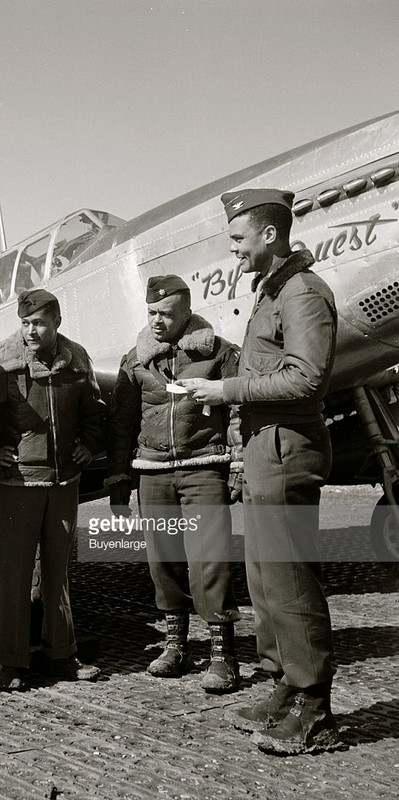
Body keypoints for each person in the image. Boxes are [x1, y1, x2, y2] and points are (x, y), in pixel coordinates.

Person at [179, 188, 340, 755]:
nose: (233, 252)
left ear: (270, 235)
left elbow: (305, 378)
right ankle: (281, 685)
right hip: (262, 452)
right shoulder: (273, 292)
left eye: (238, 239)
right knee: (266, 579)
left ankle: (315, 706)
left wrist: (223, 389)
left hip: (285, 452)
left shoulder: (302, 294)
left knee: (291, 579)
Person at [0, 288, 107, 691]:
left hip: (63, 484)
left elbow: (95, 411)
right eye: (25, 323)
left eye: (38, 323)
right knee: (15, 575)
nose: (30, 331)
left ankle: (62, 655)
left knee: (57, 574)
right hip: (18, 485)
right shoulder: (2, 364)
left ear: (56, 322)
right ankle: (10, 663)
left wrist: (88, 445)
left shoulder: (76, 361)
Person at [106, 275, 243, 694]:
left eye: (166, 313)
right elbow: (122, 422)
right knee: (162, 560)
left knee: (209, 560)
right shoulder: (136, 361)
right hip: (151, 471)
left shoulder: (218, 353)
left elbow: (238, 411)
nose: (158, 321)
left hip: (204, 466)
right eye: (151, 313)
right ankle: (176, 645)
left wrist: (237, 465)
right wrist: (118, 478)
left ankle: (223, 655)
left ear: (186, 312)